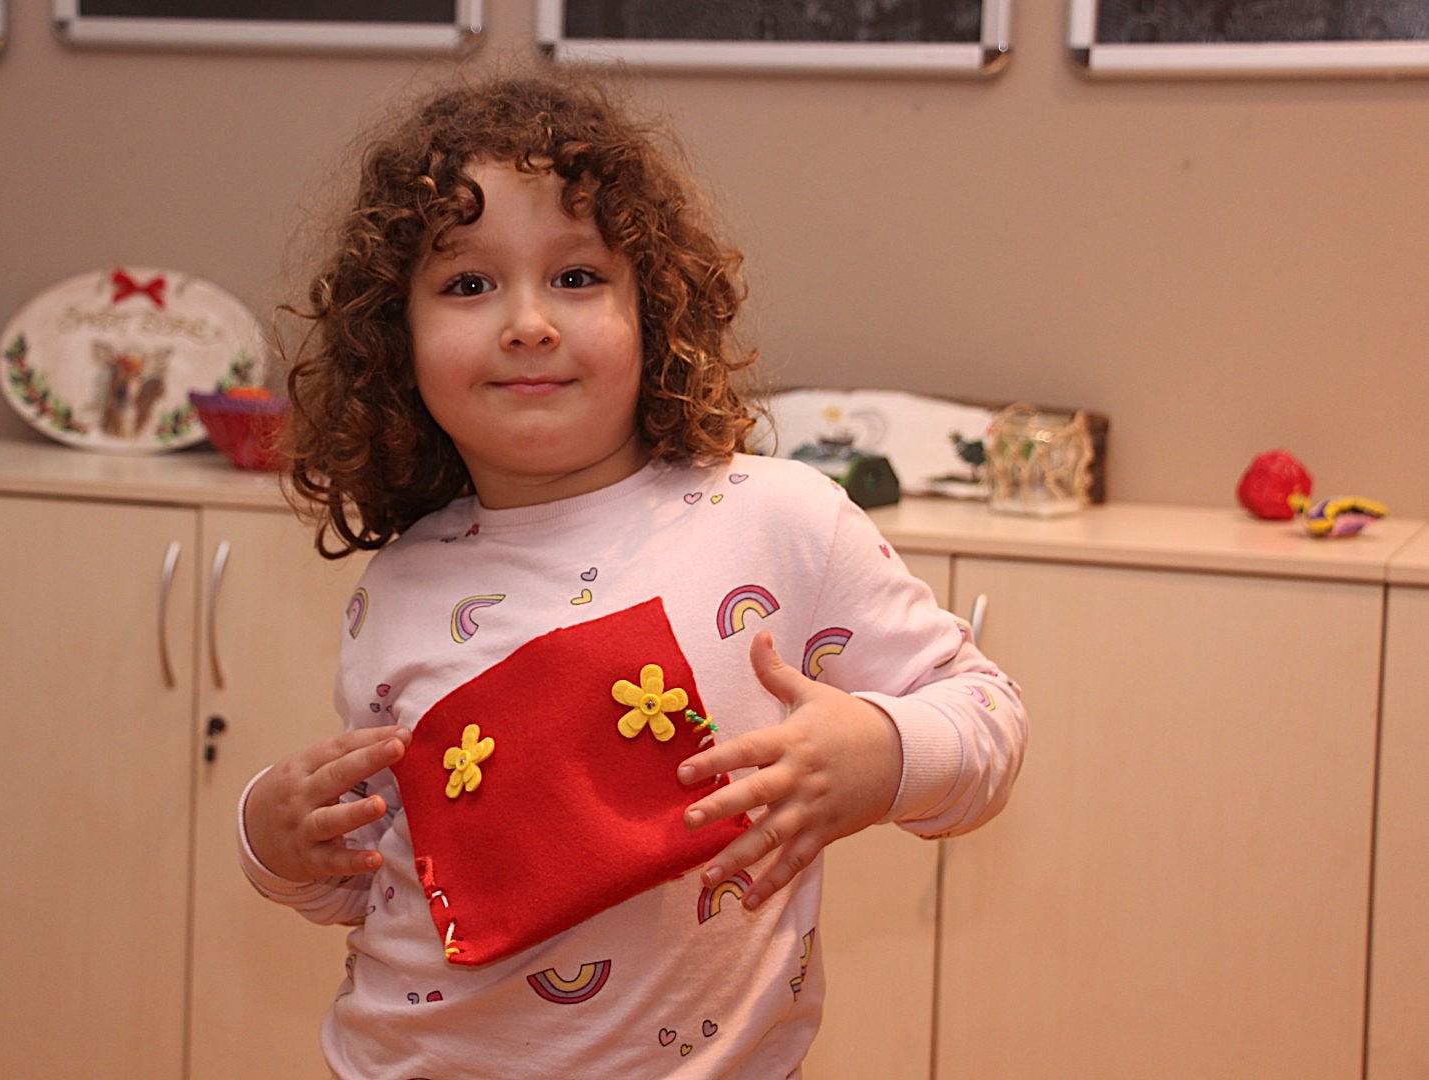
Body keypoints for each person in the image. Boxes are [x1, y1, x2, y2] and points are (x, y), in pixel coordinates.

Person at [239, 67, 1026, 1079]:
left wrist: (883, 751)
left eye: (576, 277)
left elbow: (987, 714)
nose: (529, 322)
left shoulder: (780, 521)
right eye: (469, 284)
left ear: (653, 308)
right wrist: (273, 842)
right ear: (399, 341)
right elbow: (388, 881)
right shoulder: (396, 587)